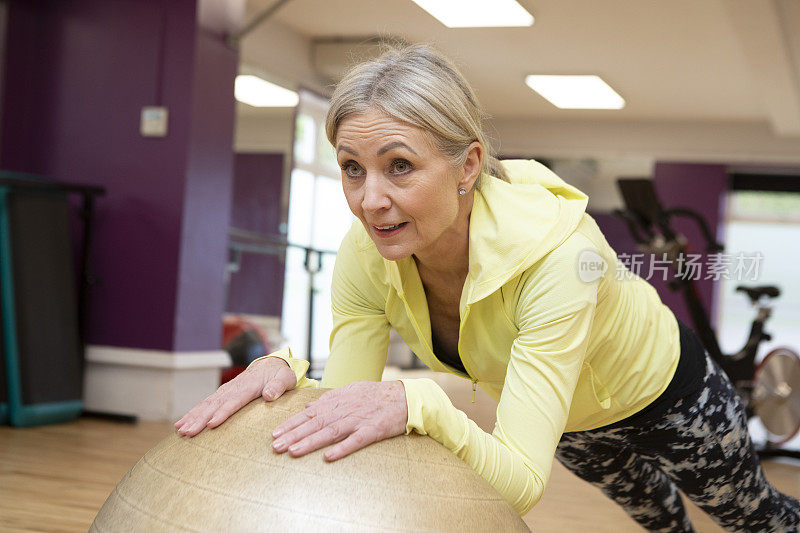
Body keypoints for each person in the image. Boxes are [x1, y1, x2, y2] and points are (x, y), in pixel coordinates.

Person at [175, 44, 799, 532]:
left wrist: (418, 403)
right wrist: (287, 377)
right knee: (658, 520)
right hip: (570, 421)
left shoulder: (557, 256)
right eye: (351, 168)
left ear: (468, 165)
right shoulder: (365, 252)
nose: (370, 201)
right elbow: (350, 400)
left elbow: (521, 485)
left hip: (663, 391)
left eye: (400, 166)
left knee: (750, 517)